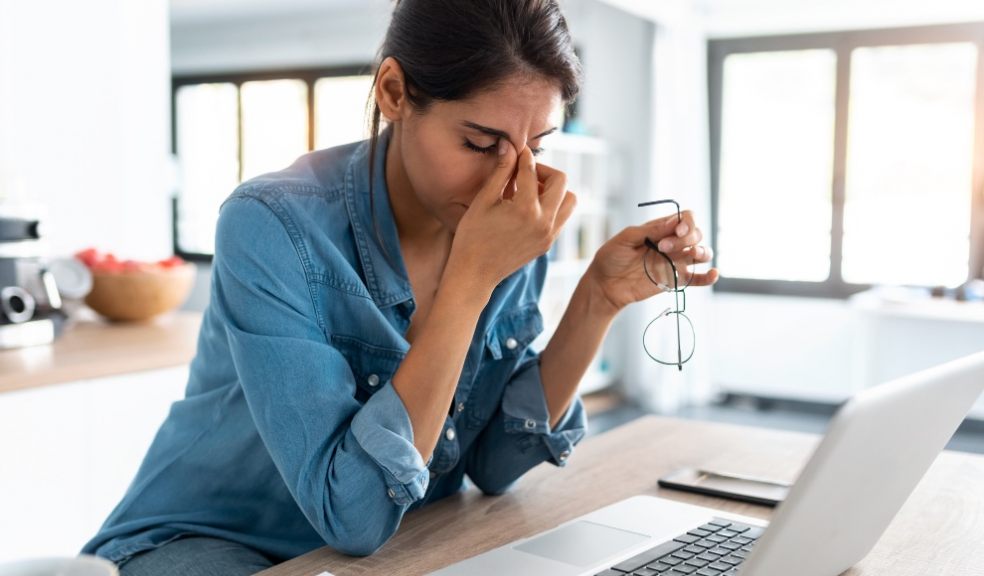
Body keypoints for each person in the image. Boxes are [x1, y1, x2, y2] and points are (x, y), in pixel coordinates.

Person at [82, 0, 717, 573]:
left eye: (537, 144)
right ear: (393, 92)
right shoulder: (272, 224)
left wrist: (597, 299)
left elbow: (496, 464)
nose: (513, 181)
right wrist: (471, 280)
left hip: (386, 548)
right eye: (479, 141)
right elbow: (351, 515)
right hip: (206, 543)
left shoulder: (504, 222)